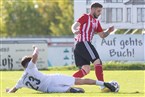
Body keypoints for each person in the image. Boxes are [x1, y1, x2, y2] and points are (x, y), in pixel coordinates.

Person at [6, 46, 115, 93]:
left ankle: (71, 90)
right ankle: (103, 83)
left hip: (48, 90)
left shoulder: (21, 80)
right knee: (79, 81)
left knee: (69, 90)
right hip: (53, 79)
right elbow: (35, 56)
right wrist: (35, 48)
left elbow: (13, 90)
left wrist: (8, 91)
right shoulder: (30, 67)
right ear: (28, 63)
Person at [71, 2, 114, 92]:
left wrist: (109, 31)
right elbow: (74, 25)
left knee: (86, 69)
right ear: (92, 9)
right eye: (98, 11)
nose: (99, 13)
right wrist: (74, 30)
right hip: (83, 43)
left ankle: (66, 82)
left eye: (100, 11)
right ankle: (103, 86)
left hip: (79, 46)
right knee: (97, 62)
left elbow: (102, 35)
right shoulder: (85, 17)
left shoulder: (96, 22)